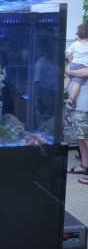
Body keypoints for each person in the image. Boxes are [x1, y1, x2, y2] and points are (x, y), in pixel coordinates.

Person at [64, 49, 88, 185]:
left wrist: (71, 69)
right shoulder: (79, 57)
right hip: (74, 105)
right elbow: (70, 69)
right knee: (80, 137)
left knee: (86, 138)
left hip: (84, 106)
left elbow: (85, 72)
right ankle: (84, 165)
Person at [64, 23, 88, 109]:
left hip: (73, 63)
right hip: (82, 65)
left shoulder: (75, 44)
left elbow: (69, 54)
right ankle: (71, 99)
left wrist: (71, 62)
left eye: (76, 33)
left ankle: (64, 89)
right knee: (78, 82)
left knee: (69, 77)